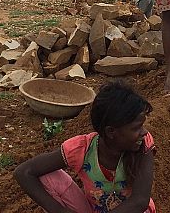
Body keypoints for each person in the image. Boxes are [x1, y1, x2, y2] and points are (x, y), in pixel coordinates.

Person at [14, 80, 156, 213]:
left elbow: (140, 201)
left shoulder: (143, 145)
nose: (144, 132)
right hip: (92, 209)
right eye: (137, 128)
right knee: (48, 176)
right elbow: (24, 172)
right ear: (111, 131)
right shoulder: (82, 149)